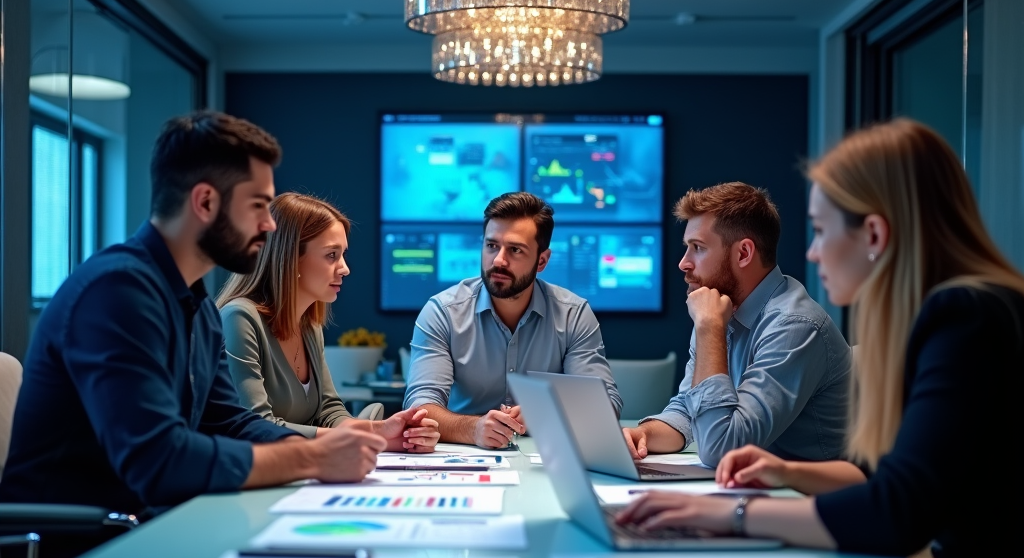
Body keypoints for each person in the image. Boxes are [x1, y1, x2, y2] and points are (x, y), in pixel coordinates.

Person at [616, 119, 1024, 558]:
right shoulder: (959, 311)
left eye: (821, 230)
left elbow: (899, 513)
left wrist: (730, 515)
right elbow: (880, 476)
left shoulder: (965, 317)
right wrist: (784, 469)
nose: (811, 253)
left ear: (873, 235)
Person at [0, 111, 386, 531]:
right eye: (257, 204)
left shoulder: (197, 305)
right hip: (80, 552)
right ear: (205, 202)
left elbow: (230, 423)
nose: (269, 224)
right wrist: (311, 456)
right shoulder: (116, 292)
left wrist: (337, 444)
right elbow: (158, 459)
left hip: (153, 530)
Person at [622, 182, 850, 467]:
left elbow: (721, 449)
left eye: (698, 248)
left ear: (743, 253)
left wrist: (708, 328)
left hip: (808, 499)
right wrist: (642, 434)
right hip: (758, 487)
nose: (683, 263)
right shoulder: (718, 308)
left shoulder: (795, 326)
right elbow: (689, 410)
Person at [216, 192, 439, 450]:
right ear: (290, 258)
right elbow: (255, 426)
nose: (345, 268)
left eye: (342, 254)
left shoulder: (310, 327)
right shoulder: (239, 318)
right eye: (331, 255)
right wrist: (364, 436)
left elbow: (329, 412)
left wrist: (386, 433)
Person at [404, 191, 621, 448]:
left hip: (548, 458)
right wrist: (474, 429)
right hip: (464, 456)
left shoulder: (573, 315)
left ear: (542, 260)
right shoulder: (443, 312)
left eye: (515, 250)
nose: (498, 260)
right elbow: (420, 407)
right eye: (491, 245)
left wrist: (545, 413)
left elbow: (605, 405)